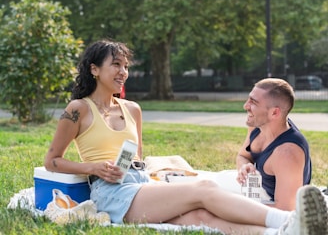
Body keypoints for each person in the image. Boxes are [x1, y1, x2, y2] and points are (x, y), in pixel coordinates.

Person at [44, 39, 327, 235]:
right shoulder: (78, 109)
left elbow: (137, 158)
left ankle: (284, 232)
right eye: (116, 65)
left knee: (202, 218)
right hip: (112, 193)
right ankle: (288, 219)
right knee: (203, 188)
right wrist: (91, 168)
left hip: (140, 184)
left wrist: (153, 174)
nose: (123, 72)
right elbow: (52, 161)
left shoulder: (132, 109)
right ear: (94, 69)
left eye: (126, 66)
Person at [236, 78, 312, 211]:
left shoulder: (287, 153)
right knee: (202, 189)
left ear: (274, 112)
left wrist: (240, 208)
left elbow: (285, 211)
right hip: (258, 192)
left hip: (273, 203)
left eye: (253, 102)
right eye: (249, 99)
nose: (245, 106)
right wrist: (244, 167)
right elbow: (243, 155)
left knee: (206, 204)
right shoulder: (258, 125)